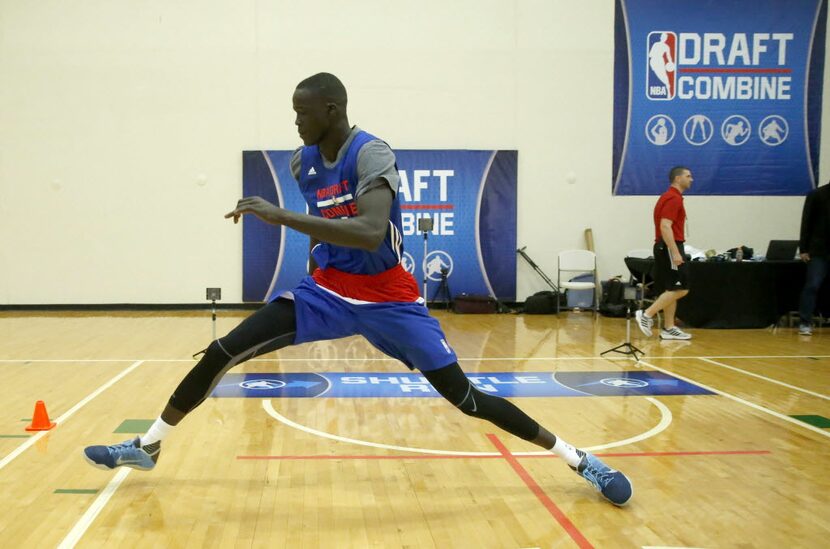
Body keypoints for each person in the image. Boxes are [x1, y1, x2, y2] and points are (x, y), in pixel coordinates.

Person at [83, 73, 632, 506]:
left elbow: (370, 232)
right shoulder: (303, 162)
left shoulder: (372, 154)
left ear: (333, 110)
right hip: (326, 292)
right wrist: (313, 264)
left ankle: (581, 459)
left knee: (466, 400)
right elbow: (323, 221)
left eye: (302, 112)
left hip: (389, 298)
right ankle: (147, 443)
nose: (295, 121)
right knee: (224, 350)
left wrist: (279, 217)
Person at [636, 166, 693, 340]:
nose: (691, 179)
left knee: (671, 288)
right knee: (682, 288)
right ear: (677, 179)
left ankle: (669, 327)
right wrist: (675, 252)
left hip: (666, 246)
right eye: (688, 176)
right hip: (669, 246)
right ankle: (646, 315)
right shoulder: (673, 198)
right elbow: (665, 226)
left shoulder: (670, 197)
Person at [797, 183, 830, 335]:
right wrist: (803, 248)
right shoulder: (817, 194)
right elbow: (806, 221)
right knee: (813, 285)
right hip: (819, 250)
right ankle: (805, 321)